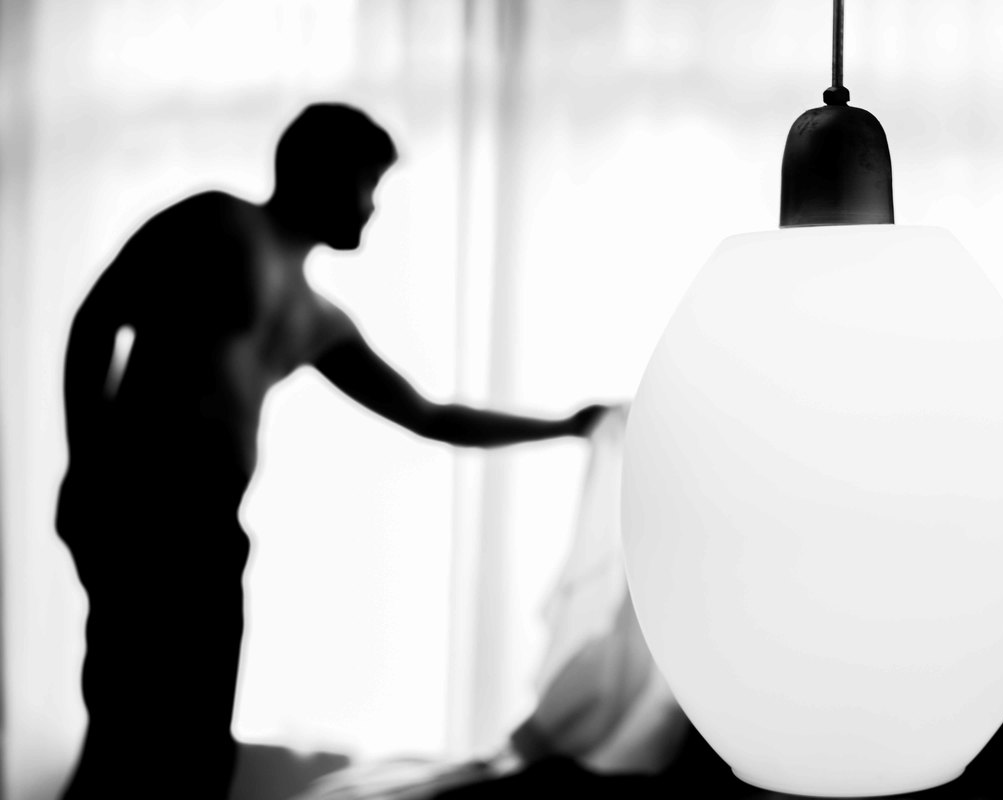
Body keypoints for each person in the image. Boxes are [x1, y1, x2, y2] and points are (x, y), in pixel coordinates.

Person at [56, 102, 608, 800]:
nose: (373, 207)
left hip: (212, 533)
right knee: (128, 728)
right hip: (141, 510)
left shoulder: (317, 318)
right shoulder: (219, 223)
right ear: (320, 169)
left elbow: (429, 416)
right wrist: (87, 465)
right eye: (368, 182)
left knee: (194, 746)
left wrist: (566, 425)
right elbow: (99, 317)